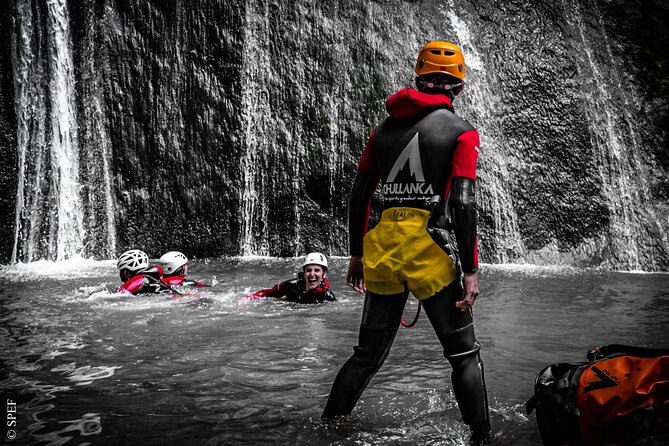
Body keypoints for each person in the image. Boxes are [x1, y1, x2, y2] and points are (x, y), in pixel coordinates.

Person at [321, 41, 491, 444]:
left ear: (417, 78)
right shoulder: (462, 132)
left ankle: (324, 430)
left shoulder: (380, 132)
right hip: (428, 247)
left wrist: (357, 255)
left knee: (367, 355)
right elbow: (464, 203)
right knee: (464, 354)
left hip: (382, 245)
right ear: (459, 87)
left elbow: (359, 197)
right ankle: (484, 439)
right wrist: (470, 269)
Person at [249, 252, 336, 304]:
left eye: (317, 270)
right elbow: (266, 293)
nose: (312, 274)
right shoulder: (290, 286)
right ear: (304, 273)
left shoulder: (327, 296)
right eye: (309, 270)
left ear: (324, 275)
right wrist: (248, 298)